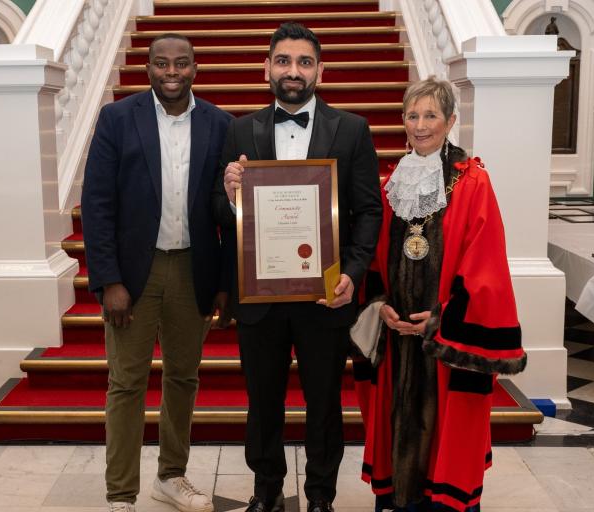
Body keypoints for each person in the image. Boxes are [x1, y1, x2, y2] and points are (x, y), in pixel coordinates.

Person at [214, 22, 382, 512]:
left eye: (304, 62)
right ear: (266, 67)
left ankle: (321, 497)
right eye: (284, 61)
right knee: (262, 403)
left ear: (320, 70)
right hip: (259, 296)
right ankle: (265, 493)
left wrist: (352, 271)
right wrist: (229, 195)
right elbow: (218, 212)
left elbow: (368, 210)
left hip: (325, 294)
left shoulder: (351, 129)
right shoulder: (239, 129)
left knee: (324, 405)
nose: (294, 71)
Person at [353, 77, 527, 512]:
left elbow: (485, 268)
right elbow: (375, 260)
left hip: (445, 340)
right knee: (399, 433)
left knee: (446, 447)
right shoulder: (392, 183)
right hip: (396, 341)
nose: (420, 125)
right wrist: (381, 307)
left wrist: (439, 319)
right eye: (412, 115)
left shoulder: (472, 183)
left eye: (431, 115)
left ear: (451, 121)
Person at [82, 33, 233, 512]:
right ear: (147, 68)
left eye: (182, 64)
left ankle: (171, 476)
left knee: (184, 379)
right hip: (132, 275)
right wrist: (108, 281)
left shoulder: (220, 124)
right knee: (125, 384)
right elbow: (97, 204)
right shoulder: (116, 119)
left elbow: (226, 212)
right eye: (162, 64)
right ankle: (120, 494)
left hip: (193, 270)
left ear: (195, 68)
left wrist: (226, 283)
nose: (172, 72)